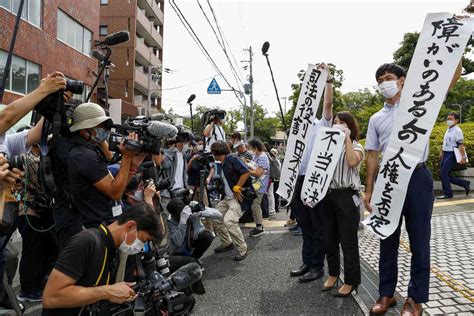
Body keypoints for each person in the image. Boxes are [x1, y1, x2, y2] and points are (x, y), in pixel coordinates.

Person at [364, 62, 461, 315]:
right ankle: (386, 294)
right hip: (389, 180)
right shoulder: (376, 118)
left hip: (417, 178)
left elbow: (449, 81)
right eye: (380, 80)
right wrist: (369, 189)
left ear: (402, 80)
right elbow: (372, 154)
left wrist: (458, 43)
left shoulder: (420, 105)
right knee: (387, 240)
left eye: (389, 77)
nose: (385, 83)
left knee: (420, 242)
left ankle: (415, 299)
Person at [41, 203, 160, 315]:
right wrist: (107, 291)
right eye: (142, 241)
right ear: (130, 226)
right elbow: (51, 297)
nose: (140, 247)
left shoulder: (114, 250)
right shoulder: (86, 242)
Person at [68, 102, 146, 228]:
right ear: (84, 127)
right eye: (100, 125)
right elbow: (115, 193)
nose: (104, 129)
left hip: (107, 222)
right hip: (97, 227)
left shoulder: (90, 151)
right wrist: (126, 157)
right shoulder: (83, 156)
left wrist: (132, 165)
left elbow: (118, 188)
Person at [289, 63, 333, 284]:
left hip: (315, 181)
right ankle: (307, 261)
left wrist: (327, 81)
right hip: (298, 179)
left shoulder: (321, 125)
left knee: (317, 226)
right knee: (304, 224)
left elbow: (327, 104)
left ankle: (317, 266)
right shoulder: (296, 129)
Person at [320, 111, 364, 297]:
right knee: (329, 239)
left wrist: (346, 138)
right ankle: (333, 274)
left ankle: (352, 281)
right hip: (328, 196)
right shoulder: (327, 147)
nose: (337, 125)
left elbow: (353, 161)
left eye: (342, 123)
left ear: (349, 126)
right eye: (335, 122)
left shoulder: (357, 145)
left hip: (347, 196)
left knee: (348, 242)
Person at [16, 143, 58, 302]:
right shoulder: (28, 159)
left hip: (42, 210)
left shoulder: (42, 159)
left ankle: (38, 284)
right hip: (28, 210)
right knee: (32, 250)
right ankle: (28, 289)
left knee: (44, 248)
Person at [210, 140, 250, 261]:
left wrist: (238, 188)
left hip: (237, 197)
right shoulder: (222, 162)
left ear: (216, 152)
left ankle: (243, 249)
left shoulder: (232, 158)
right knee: (215, 216)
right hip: (227, 197)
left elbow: (246, 172)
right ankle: (227, 242)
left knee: (229, 221)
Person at [437, 112, 470, 199]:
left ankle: (447, 194)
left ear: (456, 120)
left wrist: (463, 157)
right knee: (444, 174)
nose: (448, 121)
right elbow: (445, 142)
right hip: (446, 153)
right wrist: (442, 151)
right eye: (448, 119)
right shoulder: (448, 129)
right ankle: (464, 183)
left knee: (444, 173)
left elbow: (460, 145)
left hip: (452, 154)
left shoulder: (457, 131)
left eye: (451, 119)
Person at [247, 139, 270, 237]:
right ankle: (258, 226)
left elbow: (258, 173)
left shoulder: (263, 158)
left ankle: (259, 227)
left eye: (250, 148)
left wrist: (246, 170)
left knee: (255, 206)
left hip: (259, 186)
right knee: (254, 206)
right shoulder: (256, 156)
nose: (250, 150)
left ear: (256, 148)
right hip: (255, 185)